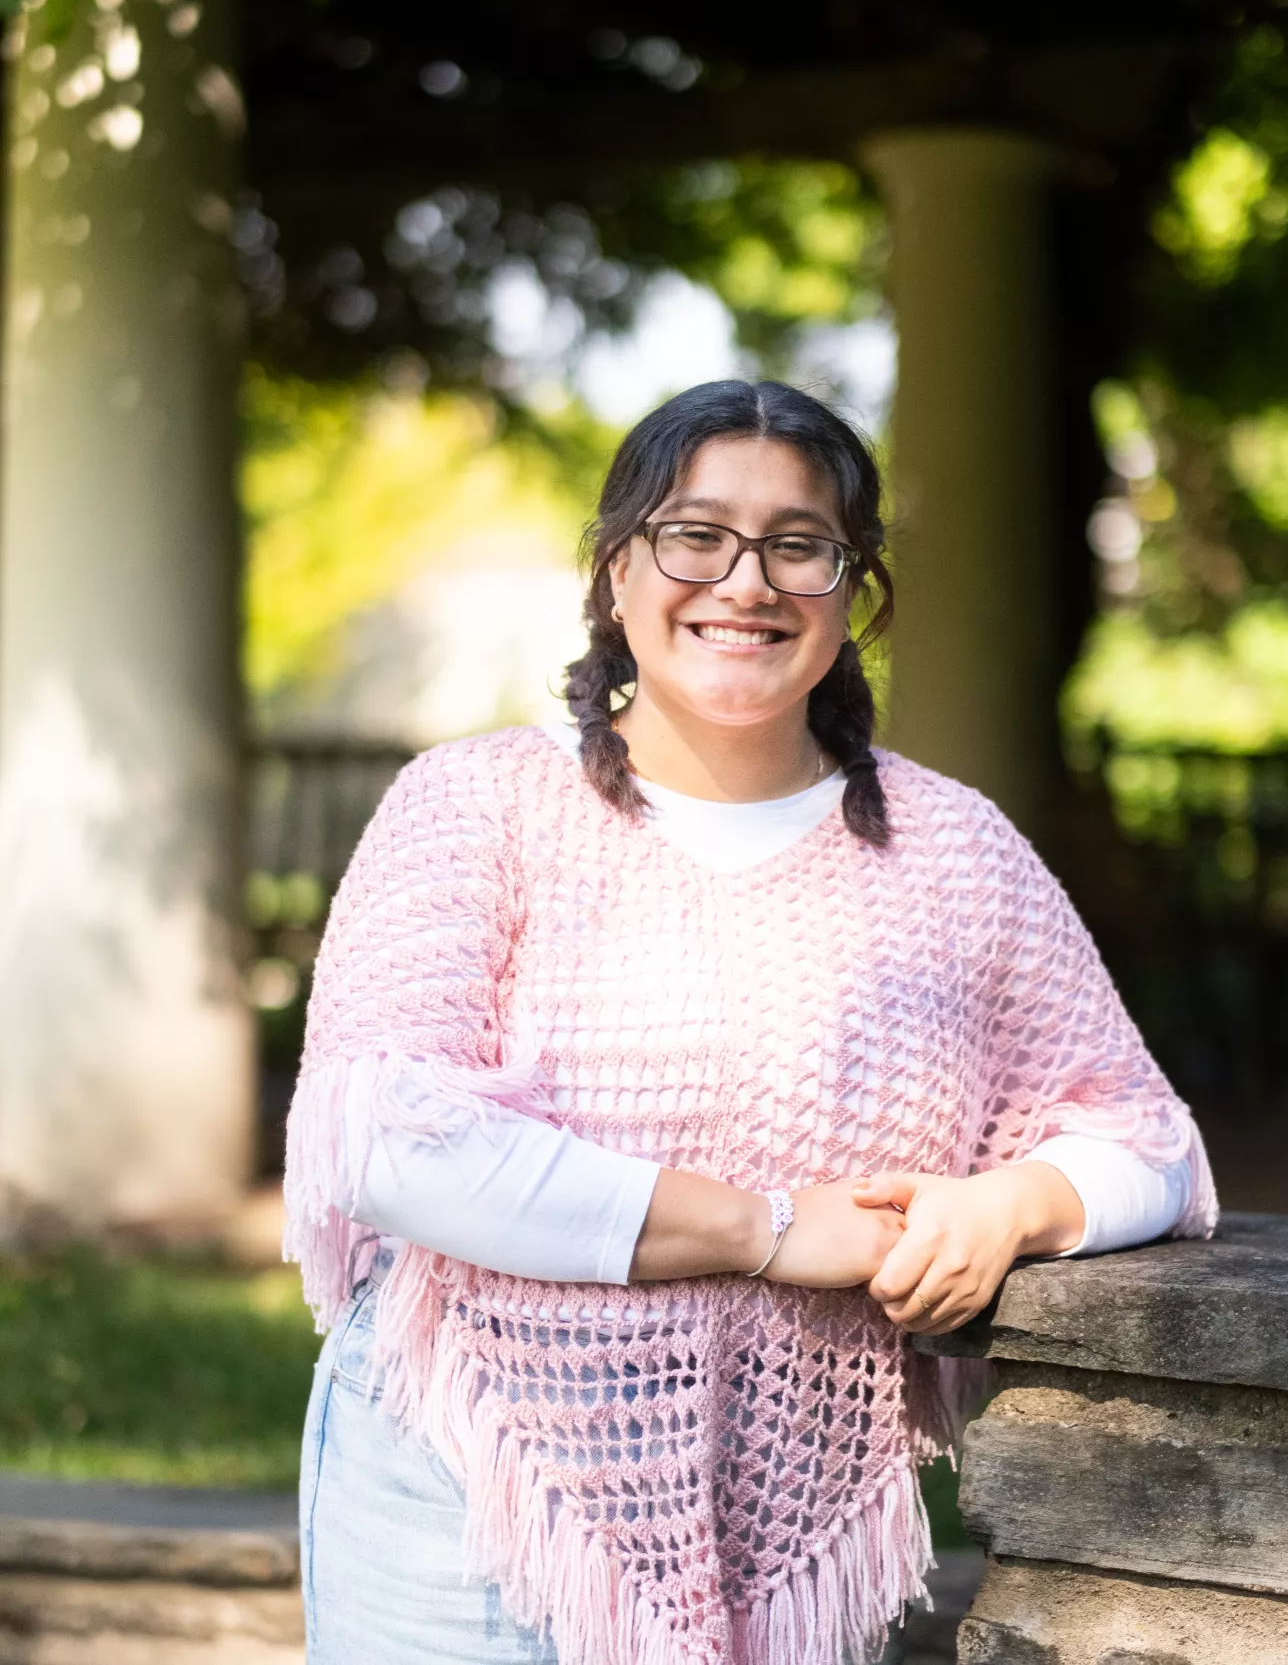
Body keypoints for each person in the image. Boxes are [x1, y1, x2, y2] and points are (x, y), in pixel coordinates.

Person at [284, 379, 1216, 1665]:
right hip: (466, 1484)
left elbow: (1150, 1142)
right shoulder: (477, 806)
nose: (745, 580)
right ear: (616, 573)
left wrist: (1010, 1207)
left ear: (855, 595)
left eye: (798, 544)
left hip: (793, 1506)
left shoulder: (955, 851)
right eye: (695, 534)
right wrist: (770, 1231)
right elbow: (393, 1140)